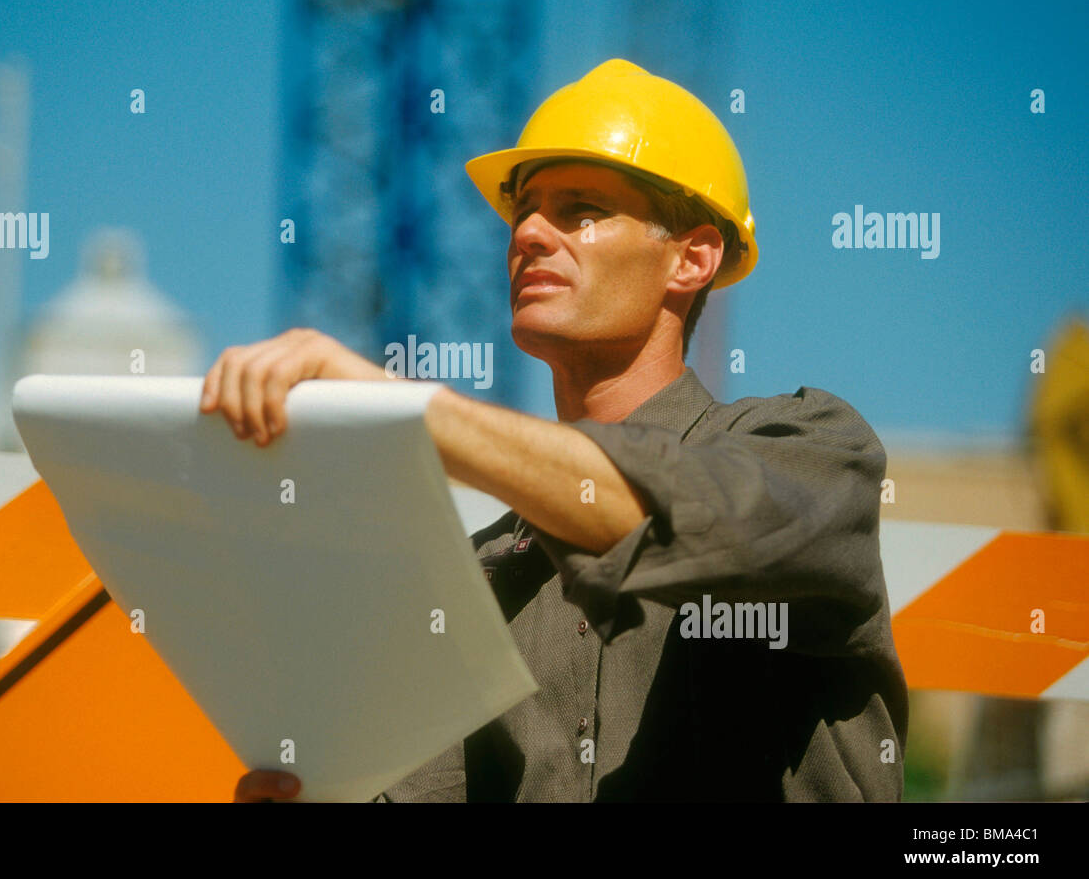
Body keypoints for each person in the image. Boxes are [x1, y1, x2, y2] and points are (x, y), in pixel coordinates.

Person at [203, 58, 908, 802]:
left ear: (693, 257)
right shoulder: (478, 580)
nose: (529, 233)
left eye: (582, 210)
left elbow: (675, 514)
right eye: (525, 211)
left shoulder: (814, 449)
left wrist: (397, 408)